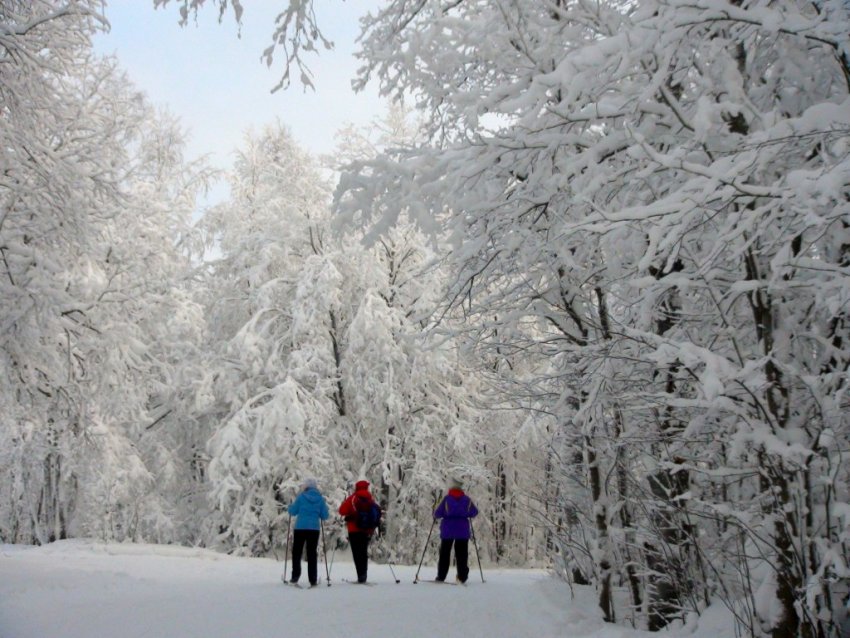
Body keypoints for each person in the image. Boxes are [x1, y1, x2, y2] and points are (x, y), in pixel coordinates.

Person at [434, 477, 478, 584]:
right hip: (462, 530)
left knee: (445, 554)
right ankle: (462, 577)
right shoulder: (467, 500)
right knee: (462, 554)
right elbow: (474, 512)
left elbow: (437, 514)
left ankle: (441, 576)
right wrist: (466, 514)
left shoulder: (446, 499)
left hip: (447, 530)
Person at [286, 477, 329, 586]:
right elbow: (325, 516)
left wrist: (290, 506)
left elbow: (293, 511)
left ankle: (295, 577)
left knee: (297, 552)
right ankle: (313, 579)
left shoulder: (301, 497)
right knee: (311, 553)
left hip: (300, 528)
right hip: (314, 529)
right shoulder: (320, 499)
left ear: (306, 487)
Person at [338, 479, 379, 583]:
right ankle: (364, 574)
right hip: (366, 530)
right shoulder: (370, 499)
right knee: (363, 552)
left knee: (357, 553)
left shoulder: (353, 498)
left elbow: (341, 511)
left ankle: (360, 575)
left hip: (354, 529)